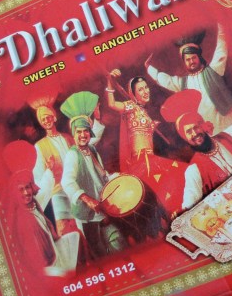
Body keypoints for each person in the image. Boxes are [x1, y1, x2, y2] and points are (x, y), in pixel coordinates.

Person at [160, 89, 232, 211]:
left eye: (196, 127)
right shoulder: (194, 170)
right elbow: (189, 203)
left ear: (203, 126)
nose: (194, 134)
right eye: (188, 132)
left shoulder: (226, 138)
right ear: (185, 138)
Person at [106, 71, 187, 219]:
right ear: (133, 94)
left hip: (150, 159)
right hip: (142, 161)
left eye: (146, 87)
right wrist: (109, 81)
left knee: (181, 175)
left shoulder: (143, 111)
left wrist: (152, 125)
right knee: (172, 181)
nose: (145, 91)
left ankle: (178, 212)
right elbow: (112, 104)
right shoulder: (130, 106)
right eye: (141, 89)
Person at [144, 23, 232, 137]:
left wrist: (221, 25)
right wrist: (149, 68)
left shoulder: (214, 70)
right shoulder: (183, 83)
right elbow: (165, 80)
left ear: (199, 58)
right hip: (210, 127)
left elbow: (221, 48)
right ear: (184, 62)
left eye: (193, 58)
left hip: (230, 120)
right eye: (188, 59)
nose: (191, 61)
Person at [2, 140, 83, 278]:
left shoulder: (35, 203)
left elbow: (45, 189)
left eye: (28, 187)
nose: (26, 193)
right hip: (42, 267)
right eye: (21, 190)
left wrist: (49, 169)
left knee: (75, 237)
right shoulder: (19, 216)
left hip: (53, 253)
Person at [60, 91, 126, 258]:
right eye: (79, 132)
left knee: (117, 242)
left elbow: (102, 175)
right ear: (73, 134)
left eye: (86, 131)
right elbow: (67, 181)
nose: (83, 135)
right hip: (87, 215)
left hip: (103, 207)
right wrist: (87, 199)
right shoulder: (72, 155)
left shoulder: (92, 150)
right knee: (100, 253)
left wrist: (117, 178)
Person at [30, 95, 104, 237]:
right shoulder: (39, 146)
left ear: (54, 118)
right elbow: (38, 178)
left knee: (88, 228)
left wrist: (97, 120)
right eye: (43, 119)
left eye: (48, 117)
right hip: (59, 194)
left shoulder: (69, 137)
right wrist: (49, 170)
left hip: (79, 187)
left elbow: (88, 143)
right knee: (69, 234)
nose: (46, 121)